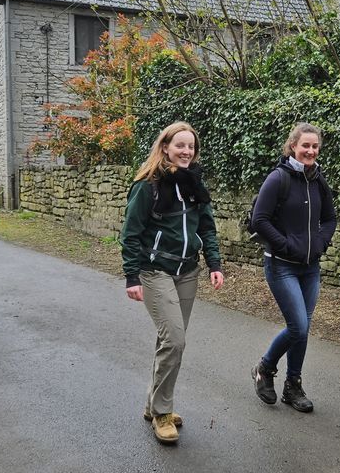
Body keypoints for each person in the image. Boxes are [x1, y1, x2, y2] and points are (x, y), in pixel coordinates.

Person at [120, 121, 224, 444]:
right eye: (180, 145)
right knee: (175, 340)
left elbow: (206, 226)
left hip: (187, 272)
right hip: (155, 272)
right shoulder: (147, 186)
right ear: (165, 147)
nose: (186, 151)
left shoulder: (194, 183)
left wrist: (214, 263)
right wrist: (131, 275)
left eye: (190, 146)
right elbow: (131, 233)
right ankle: (163, 412)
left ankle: (154, 403)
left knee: (170, 342)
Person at [249, 122, 337, 413]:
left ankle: (293, 385)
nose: (310, 151)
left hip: (310, 267)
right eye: (305, 146)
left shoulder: (318, 180)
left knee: (303, 327)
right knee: (298, 326)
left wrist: (320, 244)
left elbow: (330, 219)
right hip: (281, 265)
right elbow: (259, 220)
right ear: (293, 147)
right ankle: (265, 367)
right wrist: (286, 246)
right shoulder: (278, 179)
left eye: (315, 146)